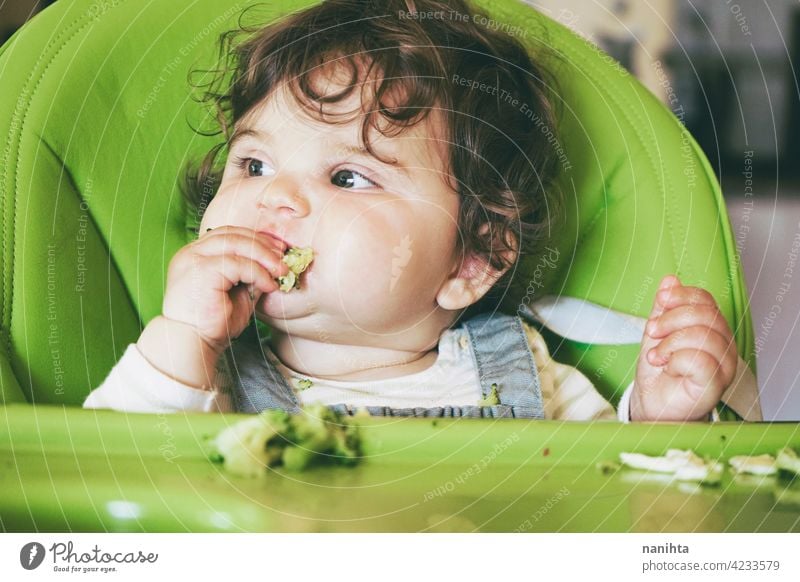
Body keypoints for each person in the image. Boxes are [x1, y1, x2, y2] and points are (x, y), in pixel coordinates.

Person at [83, 0, 745, 422]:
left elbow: (611, 502)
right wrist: (182, 336)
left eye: (347, 175)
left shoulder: (524, 377)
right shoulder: (204, 379)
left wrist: (662, 417)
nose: (274, 197)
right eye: (254, 165)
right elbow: (110, 487)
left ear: (472, 258)